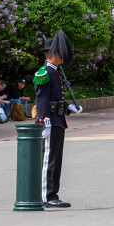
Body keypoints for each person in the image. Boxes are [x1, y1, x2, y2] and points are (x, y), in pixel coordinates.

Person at [35, 29, 82, 208]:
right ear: (55, 54)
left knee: (56, 160)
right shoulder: (45, 72)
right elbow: (42, 101)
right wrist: (45, 121)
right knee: (49, 159)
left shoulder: (55, 72)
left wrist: (69, 107)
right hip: (50, 122)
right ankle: (46, 195)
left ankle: (53, 194)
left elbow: (56, 98)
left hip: (59, 121)